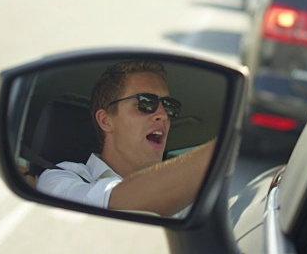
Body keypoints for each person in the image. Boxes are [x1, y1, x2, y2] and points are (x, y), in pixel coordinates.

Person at [36, 60, 216, 217]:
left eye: (169, 106)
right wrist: (221, 150)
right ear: (105, 121)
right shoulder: (58, 180)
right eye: (145, 102)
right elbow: (114, 204)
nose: (163, 115)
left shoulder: (194, 202)